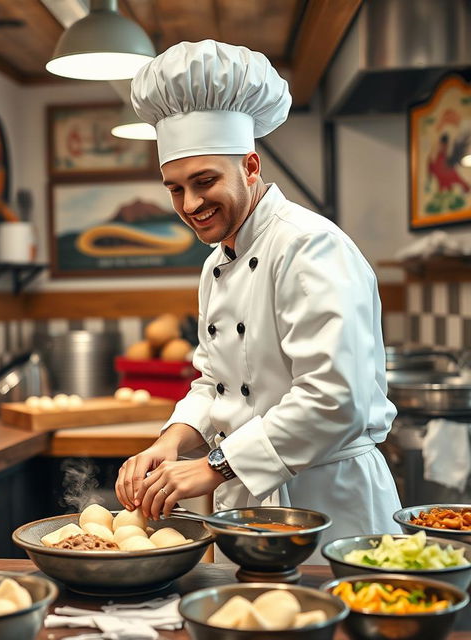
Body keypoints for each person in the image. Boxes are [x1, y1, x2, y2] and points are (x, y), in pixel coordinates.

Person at [114, 40, 402, 550]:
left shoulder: (310, 246)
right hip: (250, 505)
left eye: (205, 181)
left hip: (329, 501)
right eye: (175, 188)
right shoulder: (216, 262)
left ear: (250, 167)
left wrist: (215, 466)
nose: (191, 204)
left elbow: (336, 399)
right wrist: (172, 440)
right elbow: (217, 383)